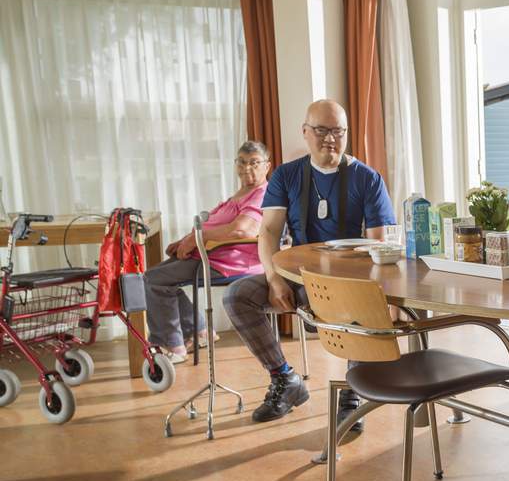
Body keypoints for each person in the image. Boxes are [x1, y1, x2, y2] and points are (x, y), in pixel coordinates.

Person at [223, 100, 396, 424]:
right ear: (305, 132)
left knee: (366, 300)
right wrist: (274, 279)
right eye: (321, 130)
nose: (330, 138)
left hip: (349, 281)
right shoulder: (287, 175)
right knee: (236, 296)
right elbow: (270, 231)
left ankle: (352, 390)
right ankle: (284, 379)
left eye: (338, 131)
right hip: (296, 278)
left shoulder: (367, 178)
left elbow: (378, 243)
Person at [143, 141, 270, 364]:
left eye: (254, 162)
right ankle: (199, 332)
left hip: (231, 261)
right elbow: (212, 225)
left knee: (154, 281)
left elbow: (243, 230)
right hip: (210, 255)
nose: (246, 167)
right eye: (241, 162)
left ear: (267, 166)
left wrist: (197, 238)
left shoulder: (261, 194)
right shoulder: (239, 195)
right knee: (152, 277)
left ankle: (172, 346)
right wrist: (186, 240)